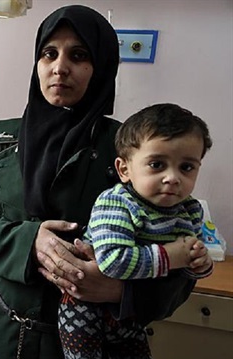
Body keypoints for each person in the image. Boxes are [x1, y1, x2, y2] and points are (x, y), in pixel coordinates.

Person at [0, 5, 202, 359]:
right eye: (48, 53)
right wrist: (30, 242)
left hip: (90, 342)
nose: (60, 67)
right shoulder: (4, 138)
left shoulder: (131, 151)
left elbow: (180, 256)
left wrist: (120, 292)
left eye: (79, 55)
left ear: (100, 67)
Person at [57, 103, 214, 359]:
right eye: (156, 164)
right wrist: (171, 256)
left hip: (132, 311)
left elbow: (183, 271)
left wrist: (198, 262)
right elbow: (112, 262)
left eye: (186, 167)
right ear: (124, 169)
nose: (172, 178)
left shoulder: (190, 210)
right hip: (85, 310)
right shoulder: (117, 202)